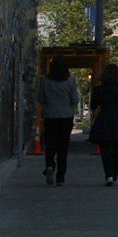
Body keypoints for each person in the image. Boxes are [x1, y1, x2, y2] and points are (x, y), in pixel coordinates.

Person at [88, 63, 118, 186]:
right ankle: (114, 174)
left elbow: (93, 107)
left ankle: (108, 175)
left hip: (104, 120)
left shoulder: (98, 90)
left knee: (106, 150)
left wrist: (93, 119)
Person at [38, 53, 80, 186]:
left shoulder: (45, 80)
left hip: (50, 116)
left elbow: (41, 99)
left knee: (50, 144)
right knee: (63, 148)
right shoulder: (71, 81)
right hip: (66, 116)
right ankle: (60, 178)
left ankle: (50, 165)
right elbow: (75, 100)